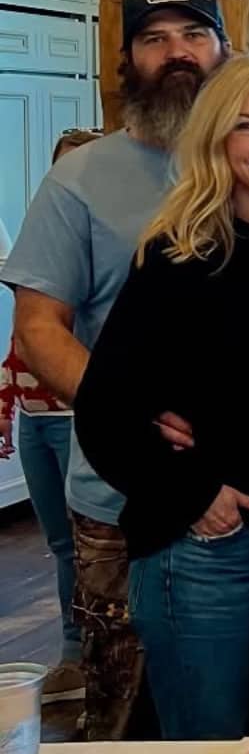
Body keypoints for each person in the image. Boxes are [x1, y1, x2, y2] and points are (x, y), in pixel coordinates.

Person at [72, 55, 249, 739]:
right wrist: (195, 493)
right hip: (206, 555)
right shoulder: (180, 255)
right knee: (210, 742)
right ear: (216, 139)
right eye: (246, 126)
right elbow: (104, 410)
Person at [1, 0, 230, 739]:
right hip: (120, 500)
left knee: (240, 710)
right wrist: (132, 418)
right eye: (154, 39)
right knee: (128, 714)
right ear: (127, 60)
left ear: (225, 50)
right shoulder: (79, 181)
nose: (177, 53)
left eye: (194, 34)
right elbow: (39, 328)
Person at [0, 128, 101, 707]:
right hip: (33, 414)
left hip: (72, 413)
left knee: (90, 541)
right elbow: (23, 336)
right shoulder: (44, 239)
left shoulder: (96, 242)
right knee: (60, 543)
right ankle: (72, 653)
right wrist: (7, 401)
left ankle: (89, 653)